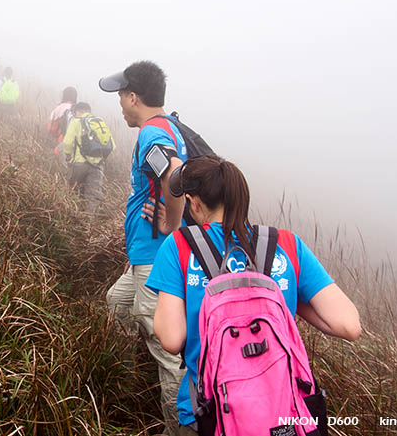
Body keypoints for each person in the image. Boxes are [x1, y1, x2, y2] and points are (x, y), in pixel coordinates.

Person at [146, 155, 361, 435]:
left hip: (208, 416)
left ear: (194, 202)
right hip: (284, 416)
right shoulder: (286, 244)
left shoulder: (179, 246)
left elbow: (171, 339)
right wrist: (283, 299)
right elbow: (349, 325)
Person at [98, 60, 192, 435]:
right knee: (116, 304)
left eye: (121, 96)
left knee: (166, 351)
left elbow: (174, 177)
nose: (120, 104)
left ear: (133, 97)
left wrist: (171, 225)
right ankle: (128, 381)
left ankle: (180, 429)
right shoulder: (167, 126)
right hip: (144, 257)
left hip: (156, 260)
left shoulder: (152, 134)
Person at [61, 102, 114, 214]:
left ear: (78, 111)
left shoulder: (76, 121)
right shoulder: (99, 122)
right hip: (98, 166)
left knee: (73, 191)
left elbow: (67, 143)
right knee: (93, 196)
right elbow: (112, 146)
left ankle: (72, 217)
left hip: (79, 164)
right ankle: (89, 225)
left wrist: (68, 157)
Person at [47, 86, 78, 154]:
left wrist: (60, 135)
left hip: (64, 143)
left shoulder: (59, 108)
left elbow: (51, 129)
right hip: (80, 148)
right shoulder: (79, 109)